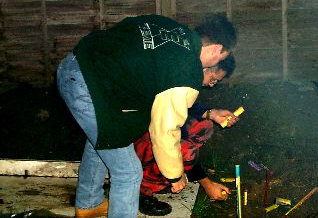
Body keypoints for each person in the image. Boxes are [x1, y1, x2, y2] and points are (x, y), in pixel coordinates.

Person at [56, 14, 237, 218]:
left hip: (76, 63)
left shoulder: (170, 29)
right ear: (216, 49)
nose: (215, 63)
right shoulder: (186, 67)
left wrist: (209, 113)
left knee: (104, 140)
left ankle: (88, 205)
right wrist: (175, 174)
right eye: (220, 58)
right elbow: (165, 129)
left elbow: (127, 31)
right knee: (129, 173)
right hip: (87, 87)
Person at [135, 55, 240, 216]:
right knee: (186, 151)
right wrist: (207, 184)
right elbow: (167, 135)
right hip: (137, 136)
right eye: (213, 79)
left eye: (217, 82)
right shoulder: (177, 79)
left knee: (203, 126)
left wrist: (211, 114)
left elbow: (185, 108)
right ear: (205, 67)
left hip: (158, 128)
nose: (212, 85)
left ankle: (170, 173)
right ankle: (142, 191)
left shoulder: (184, 76)